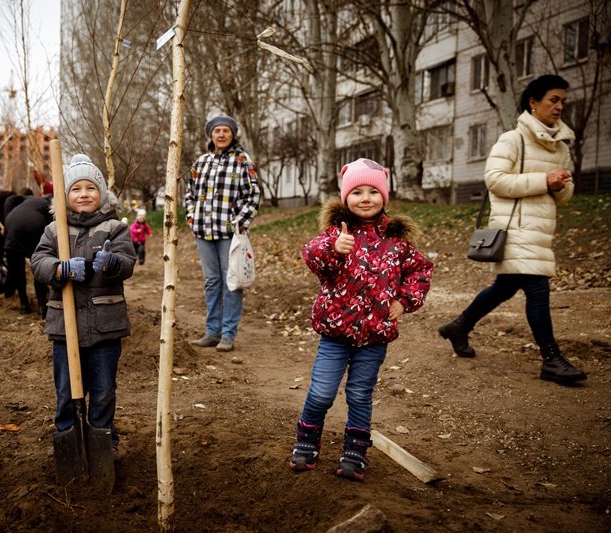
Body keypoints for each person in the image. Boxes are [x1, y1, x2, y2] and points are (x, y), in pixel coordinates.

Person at [290, 158, 433, 481]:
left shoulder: (397, 241)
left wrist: (404, 300)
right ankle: (306, 442)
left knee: (359, 393)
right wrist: (334, 248)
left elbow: (421, 270)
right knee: (322, 392)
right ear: (345, 198)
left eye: (373, 191)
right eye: (357, 191)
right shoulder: (335, 235)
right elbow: (313, 257)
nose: (365, 198)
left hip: (375, 335)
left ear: (384, 197)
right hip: (335, 334)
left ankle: (355, 451)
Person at [439, 75, 587, 385]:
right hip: (515, 228)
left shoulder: (560, 146)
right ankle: (551, 359)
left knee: (505, 287)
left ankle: (459, 326)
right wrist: (543, 180)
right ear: (533, 103)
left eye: (563, 101)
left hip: (540, 230)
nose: (559, 106)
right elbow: (495, 180)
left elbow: (564, 195)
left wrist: (560, 185)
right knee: (537, 288)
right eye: (553, 100)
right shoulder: (513, 139)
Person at [31, 154, 135, 452]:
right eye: (76, 189)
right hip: (66, 326)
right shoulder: (54, 230)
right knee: (66, 390)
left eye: (90, 188)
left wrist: (112, 261)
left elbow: (128, 262)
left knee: (103, 390)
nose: (84, 194)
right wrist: (60, 269)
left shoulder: (114, 228)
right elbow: (38, 261)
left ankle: (104, 438)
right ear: (65, 196)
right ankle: (67, 437)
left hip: (105, 327)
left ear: (101, 193)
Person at [184, 115, 261, 352]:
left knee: (232, 282)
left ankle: (228, 334)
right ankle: (212, 332)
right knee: (212, 282)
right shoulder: (201, 163)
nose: (221, 134)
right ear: (210, 135)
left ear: (233, 134)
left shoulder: (242, 161)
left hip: (230, 234)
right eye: (217, 130)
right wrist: (191, 217)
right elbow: (190, 194)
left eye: (226, 131)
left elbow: (254, 195)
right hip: (204, 232)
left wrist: (240, 223)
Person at [4, 192, 53, 316]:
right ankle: (42, 305)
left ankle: (24, 304)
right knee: (39, 265)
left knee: (17, 270)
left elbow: (10, 198)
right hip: (34, 226)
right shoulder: (49, 205)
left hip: (10, 223)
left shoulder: (28, 200)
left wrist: (6, 215)